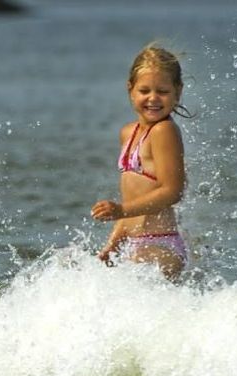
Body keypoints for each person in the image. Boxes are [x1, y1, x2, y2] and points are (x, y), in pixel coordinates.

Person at [91, 45, 191, 282]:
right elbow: (133, 200)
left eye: (163, 91)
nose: (153, 98)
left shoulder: (164, 131)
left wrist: (120, 210)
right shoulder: (128, 133)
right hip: (134, 243)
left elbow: (172, 190)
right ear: (131, 90)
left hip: (162, 244)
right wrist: (113, 243)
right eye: (144, 90)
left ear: (178, 92)